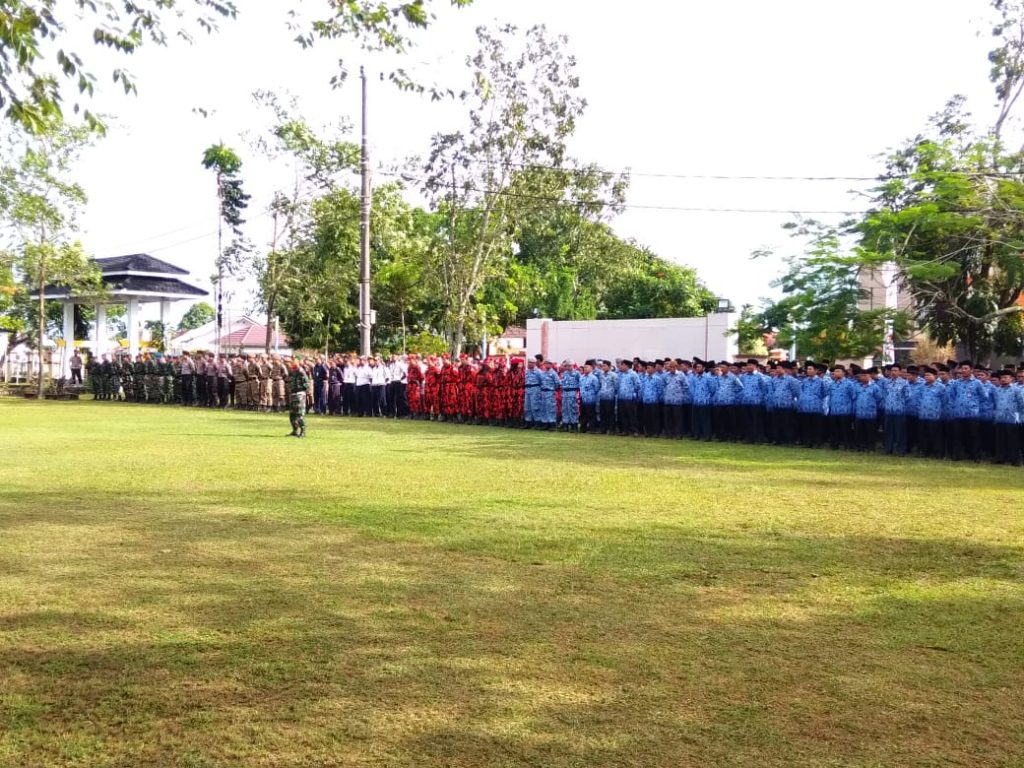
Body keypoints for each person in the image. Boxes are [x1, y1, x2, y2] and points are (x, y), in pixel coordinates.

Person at [287, 358, 310, 438]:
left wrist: (304, 392)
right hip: (293, 394)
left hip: (300, 394)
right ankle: (295, 430)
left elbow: (306, 383)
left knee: (299, 414)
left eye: (289, 363)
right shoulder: (293, 372)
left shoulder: (301, 371)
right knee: (292, 414)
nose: (288, 365)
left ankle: (303, 431)